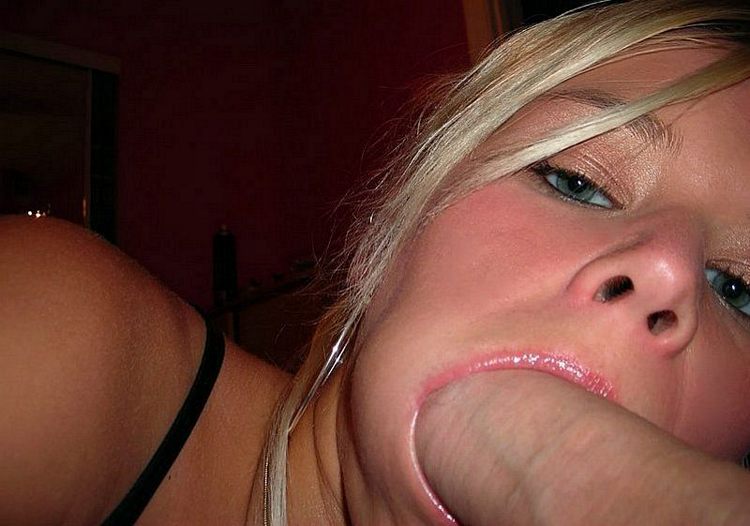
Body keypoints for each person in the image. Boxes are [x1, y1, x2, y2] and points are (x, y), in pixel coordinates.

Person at [2, 0, 750, 524]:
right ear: (387, 233)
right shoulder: (68, 349)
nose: (669, 272)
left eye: (739, 289)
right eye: (576, 181)